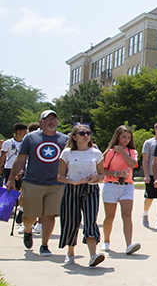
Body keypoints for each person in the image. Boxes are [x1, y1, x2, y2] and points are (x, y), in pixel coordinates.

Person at [6, 110, 68, 256]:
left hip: (55, 183)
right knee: (30, 215)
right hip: (33, 182)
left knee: (49, 215)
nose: (52, 122)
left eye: (54, 119)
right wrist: (11, 178)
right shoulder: (30, 138)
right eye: (48, 119)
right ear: (41, 122)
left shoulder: (64, 139)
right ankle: (28, 231)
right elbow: (21, 159)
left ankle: (44, 245)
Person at [57, 124, 105, 266]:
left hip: (90, 189)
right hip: (72, 189)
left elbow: (102, 174)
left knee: (90, 220)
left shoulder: (96, 153)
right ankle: (70, 253)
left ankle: (93, 255)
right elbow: (60, 176)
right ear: (74, 137)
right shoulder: (67, 153)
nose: (86, 135)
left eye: (88, 133)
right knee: (71, 221)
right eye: (82, 133)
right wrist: (72, 181)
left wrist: (96, 178)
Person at [101, 125, 141, 255]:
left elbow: (132, 164)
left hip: (127, 186)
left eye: (128, 137)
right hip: (111, 185)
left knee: (127, 215)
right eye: (123, 137)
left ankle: (129, 244)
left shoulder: (131, 152)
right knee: (110, 217)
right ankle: (106, 241)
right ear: (117, 137)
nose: (126, 139)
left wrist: (123, 152)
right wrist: (116, 173)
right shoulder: (109, 152)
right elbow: (102, 170)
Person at [141, 122, 157, 230]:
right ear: (155, 130)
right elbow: (145, 160)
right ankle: (145, 214)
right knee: (150, 198)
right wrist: (146, 175)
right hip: (151, 174)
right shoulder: (149, 143)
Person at [1, 122, 27, 188]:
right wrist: (0, 167)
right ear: (18, 131)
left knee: (20, 188)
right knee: (11, 188)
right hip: (9, 168)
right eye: (24, 131)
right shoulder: (8, 143)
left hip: (21, 169)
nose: (25, 133)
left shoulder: (25, 143)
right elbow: (3, 156)